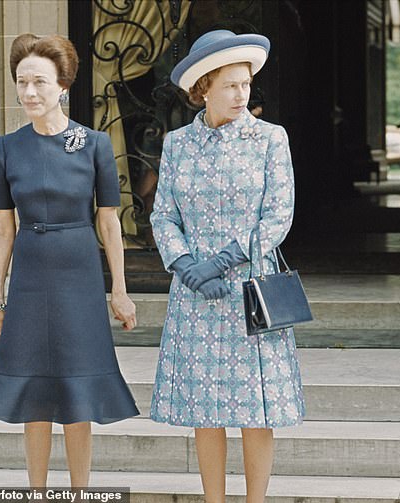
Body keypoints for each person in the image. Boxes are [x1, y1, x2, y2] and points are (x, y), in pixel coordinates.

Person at [0, 33, 139, 488]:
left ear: (63, 85)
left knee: (78, 391)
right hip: (30, 276)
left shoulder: (95, 144)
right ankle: (35, 492)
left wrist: (119, 290)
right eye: (22, 82)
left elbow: (110, 224)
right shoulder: (8, 147)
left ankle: (81, 493)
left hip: (79, 273)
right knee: (34, 392)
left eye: (39, 81)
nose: (29, 92)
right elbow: (3, 227)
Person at [150, 30, 305, 503]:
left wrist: (223, 260)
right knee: (206, 411)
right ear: (203, 87)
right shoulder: (178, 144)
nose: (243, 95)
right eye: (231, 86)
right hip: (196, 294)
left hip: (249, 292)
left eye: (246, 84)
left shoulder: (269, 139)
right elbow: (163, 214)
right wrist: (185, 265)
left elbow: (278, 214)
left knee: (256, 412)